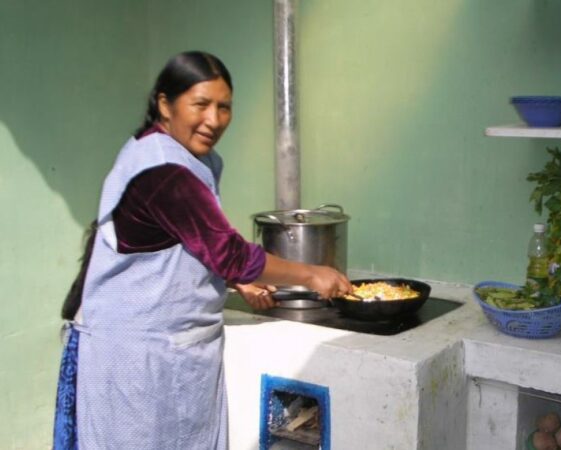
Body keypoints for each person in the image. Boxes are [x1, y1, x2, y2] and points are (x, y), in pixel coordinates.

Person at [52, 51, 352, 450]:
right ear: (165, 104)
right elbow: (230, 252)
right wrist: (313, 274)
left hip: (169, 352)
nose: (213, 120)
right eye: (200, 105)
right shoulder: (163, 170)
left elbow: (185, 241)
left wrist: (231, 280)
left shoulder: (178, 154)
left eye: (224, 107)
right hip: (137, 360)